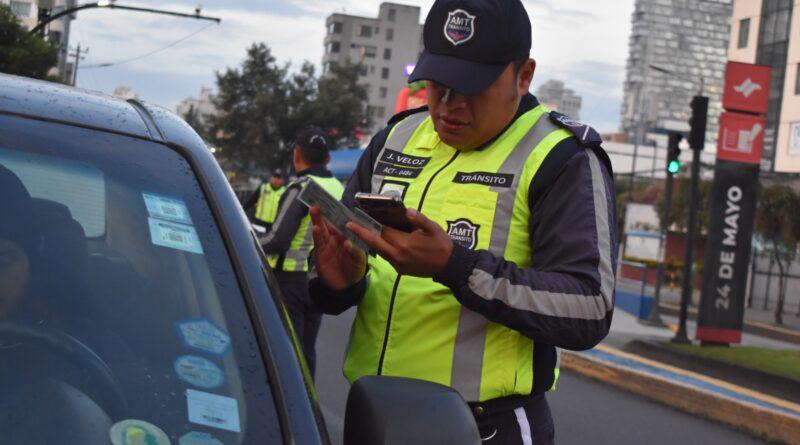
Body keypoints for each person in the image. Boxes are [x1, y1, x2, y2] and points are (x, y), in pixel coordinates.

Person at [308, 0, 617, 443]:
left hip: (484, 429)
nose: (450, 106)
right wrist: (340, 283)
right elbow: (345, 275)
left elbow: (589, 307)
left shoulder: (560, 158)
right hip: (377, 416)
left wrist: (456, 267)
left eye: (473, 88)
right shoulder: (395, 138)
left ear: (523, 75)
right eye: (440, 86)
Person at [261, 127, 344, 377]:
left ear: (296, 154)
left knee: (288, 350)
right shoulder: (339, 188)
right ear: (328, 159)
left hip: (291, 280)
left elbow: (277, 240)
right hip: (321, 281)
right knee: (307, 350)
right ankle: (309, 408)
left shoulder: (301, 187)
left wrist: (242, 244)